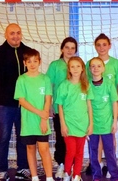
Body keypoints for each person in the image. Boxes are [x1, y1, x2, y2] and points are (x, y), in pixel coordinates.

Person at [0, 23, 31, 181]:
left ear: (21, 34)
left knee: (23, 137)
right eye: (12, 33)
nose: (15, 36)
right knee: (3, 137)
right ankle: (1, 169)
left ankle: (23, 168)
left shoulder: (28, 53)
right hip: (4, 105)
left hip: (24, 105)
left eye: (18, 33)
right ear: (6, 35)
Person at [85, 33, 118, 177]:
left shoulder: (116, 63)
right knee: (95, 142)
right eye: (98, 44)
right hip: (94, 112)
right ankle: (98, 166)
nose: (101, 47)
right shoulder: (90, 64)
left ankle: (110, 168)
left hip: (109, 109)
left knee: (110, 140)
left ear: (109, 45)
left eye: (104, 44)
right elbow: (85, 87)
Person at [14, 48, 54, 181]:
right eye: (29, 61)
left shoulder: (45, 79)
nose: (32, 64)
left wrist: (44, 118)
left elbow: (48, 99)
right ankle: (35, 177)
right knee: (30, 148)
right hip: (28, 121)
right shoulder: (21, 79)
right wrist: (40, 113)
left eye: (35, 61)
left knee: (44, 149)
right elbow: (22, 101)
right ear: (24, 63)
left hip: (42, 121)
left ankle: (49, 177)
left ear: (40, 62)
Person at [55, 56, 94, 181]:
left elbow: (89, 106)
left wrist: (91, 124)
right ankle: (67, 172)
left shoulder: (86, 85)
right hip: (69, 124)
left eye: (78, 66)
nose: (75, 69)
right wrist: (63, 124)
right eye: (72, 66)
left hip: (82, 125)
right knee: (70, 151)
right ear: (69, 69)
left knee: (79, 152)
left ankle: (77, 174)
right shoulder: (64, 85)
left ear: (82, 68)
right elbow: (60, 106)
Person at [46, 37, 78, 179]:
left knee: (75, 139)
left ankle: (72, 167)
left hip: (75, 110)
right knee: (61, 138)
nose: (70, 50)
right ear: (62, 49)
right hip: (59, 109)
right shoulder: (55, 65)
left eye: (72, 48)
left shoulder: (78, 65)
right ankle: (61, 165)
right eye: (67, 47)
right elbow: (48, 86)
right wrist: (49, 106)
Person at [88, 57, 118, 181]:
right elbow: (87, 105)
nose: (96, 68)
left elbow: (114, 102)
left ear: (103, 68)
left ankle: (114, 174)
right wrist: (88, 124)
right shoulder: (87, 85)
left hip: (107, 124)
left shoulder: (109, 84)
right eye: (93, 66)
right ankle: (96, 174)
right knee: (94, 151)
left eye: (98, 66)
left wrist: (115, 121)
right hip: (93, 124)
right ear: (90, 69)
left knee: (110, 151)